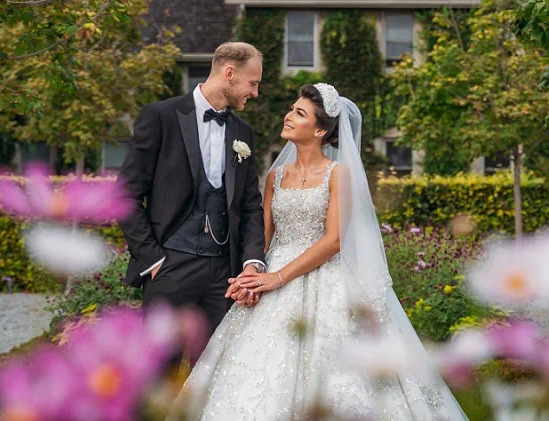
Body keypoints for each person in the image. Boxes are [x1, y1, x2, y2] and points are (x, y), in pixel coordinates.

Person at [169, 83, 469, 420]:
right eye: (292, 109)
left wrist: (278, 277)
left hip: (326, 277)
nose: (288, 116)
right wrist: (251, 273)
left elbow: (334, 240)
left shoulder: (338, 174)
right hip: (273, 273)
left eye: (300, 113)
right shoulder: (275, 176)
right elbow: (261, 239)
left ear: (321, 129)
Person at [116, 42, 267, 340]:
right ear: (229, 73)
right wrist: (154, 261)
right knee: (160, 372)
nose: (255, 93)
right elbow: (124, 195)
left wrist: (252, 261)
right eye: (253, 83)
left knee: (216, 373)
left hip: (225, 274)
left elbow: (250, 204)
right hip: (170, 266)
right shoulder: (161, 117)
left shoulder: (243, 132)